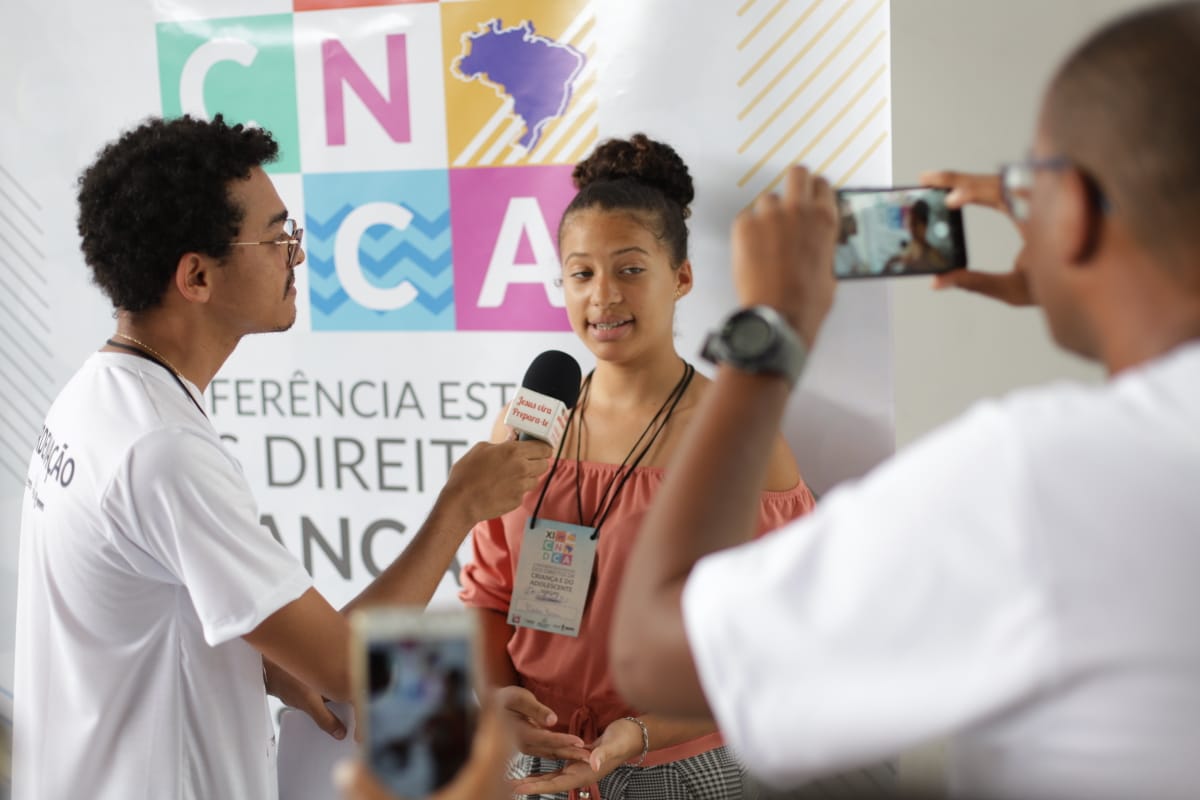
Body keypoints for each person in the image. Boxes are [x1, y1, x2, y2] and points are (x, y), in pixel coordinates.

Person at [610, 3, 1200, 799]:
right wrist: (1096, 274)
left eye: (1034, 179)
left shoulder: (1037, 477)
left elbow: (654, 654)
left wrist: (770, 327)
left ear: (1079, 216)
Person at [13, 114, 552, 799]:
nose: (295, 255)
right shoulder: (163, 450)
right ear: (197, 276)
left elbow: (278, 649)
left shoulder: (98, 395)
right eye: (276, 237)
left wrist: (464, 713)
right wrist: (460, 507)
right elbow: (345, 667)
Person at [459, 134, 816, 799]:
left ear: (680, 277)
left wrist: (642, 734)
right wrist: (497, 695)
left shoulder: (738, 438)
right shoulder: (526, 423)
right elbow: (489, 595)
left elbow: (776, 643)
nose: (602, 297)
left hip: (676, 768)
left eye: (629, 269)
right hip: (532, 762)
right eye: (581, 272)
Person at [884, 199, 946, 273]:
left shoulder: (935, 257)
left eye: (915, 224)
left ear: (924, 225)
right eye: (910, 223)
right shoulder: (899, 256)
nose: (912, 229)